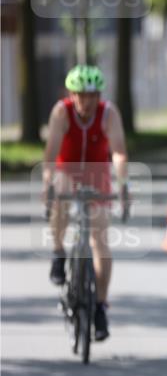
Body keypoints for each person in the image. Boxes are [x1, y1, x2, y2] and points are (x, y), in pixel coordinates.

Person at [43, 65, 129, 341]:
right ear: (71, 94)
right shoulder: (61, 112)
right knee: (60, 197)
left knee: (99, 241)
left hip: (97, 175)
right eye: (80, 95)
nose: (85, 101)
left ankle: (101, 305)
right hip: (67, 170)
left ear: (99, 96)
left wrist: (123, 185)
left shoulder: (108, 113)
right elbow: (51, 153)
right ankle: (58, 252)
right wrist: (47, 185)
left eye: (91, 95)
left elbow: (118, 153)